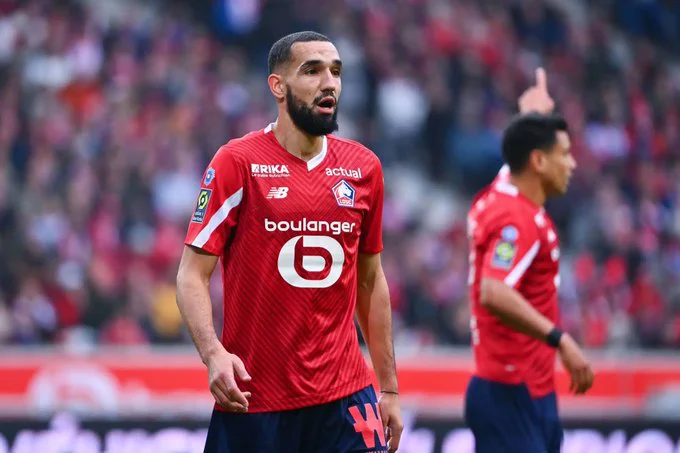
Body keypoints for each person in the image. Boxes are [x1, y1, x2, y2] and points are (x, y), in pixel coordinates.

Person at [175, 31, 402, 453]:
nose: (329, 82)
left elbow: (370, 282)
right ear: (277, 87)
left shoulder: (364, 167)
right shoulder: (237, 162)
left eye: (335, 71)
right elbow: (191, 274)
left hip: (345, 395)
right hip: (256, 398)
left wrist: (388, 388)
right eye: (312, 71)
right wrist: (213, 354)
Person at [464, 70, 595, 453]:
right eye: (564, 154)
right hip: (511, 396)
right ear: (538, 161)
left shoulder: (503, 195)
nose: (571, 164)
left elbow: (514, 162)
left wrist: (529, 120)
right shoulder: (515, 219)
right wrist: (561, 340)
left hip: (527, 391)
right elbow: (493, 290)